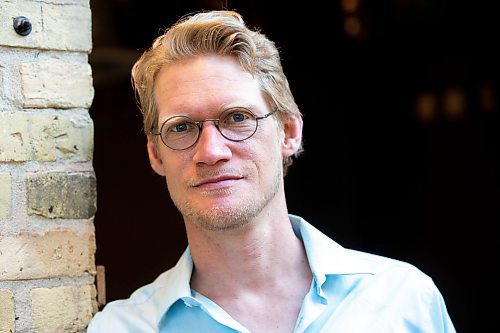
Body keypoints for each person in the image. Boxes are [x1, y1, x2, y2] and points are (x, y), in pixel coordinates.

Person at [87, 9, 456, 333]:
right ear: (155, 153)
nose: (211, 152)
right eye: (181, 127)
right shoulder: (123, 328)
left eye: (237, 118)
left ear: (289, 132)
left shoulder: (405, 302)